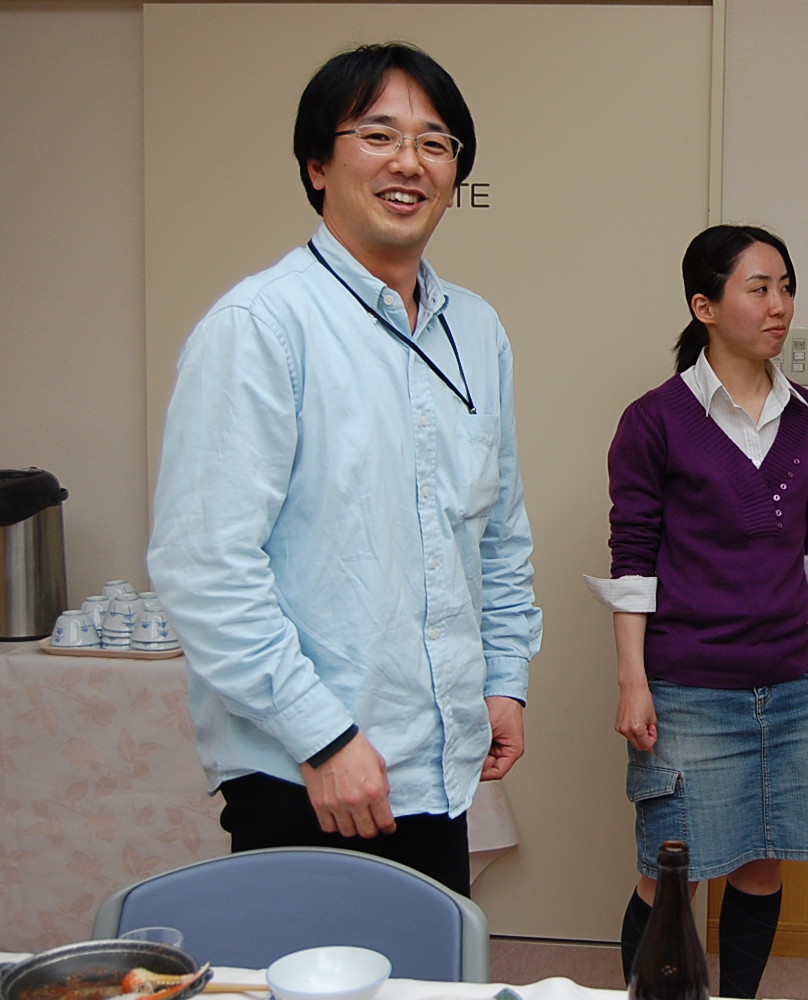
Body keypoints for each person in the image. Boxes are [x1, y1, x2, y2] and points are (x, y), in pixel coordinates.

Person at [147, 42, 542, 896]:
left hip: (438, 762)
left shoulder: (476, 330)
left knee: (432, 963)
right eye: (378, 134)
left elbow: (499, 535)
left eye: (435, 143)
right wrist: (322, 737)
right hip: (305, 774)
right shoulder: (261, 325)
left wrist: (504, 682)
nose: (410, 162)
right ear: (317, 165)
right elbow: (205, 567)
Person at [585, 225, 808, 998]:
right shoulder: (654, 420)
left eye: (787, 287)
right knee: (670, 874)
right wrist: (633, 682)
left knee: (762, 863)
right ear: (704, 306)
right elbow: (633, 559)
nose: (780, 306)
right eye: (759, 288)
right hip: (687, 688)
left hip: (787, 685)